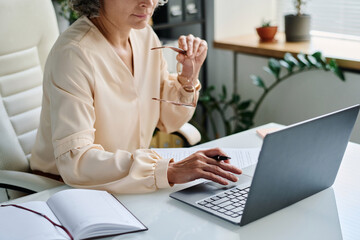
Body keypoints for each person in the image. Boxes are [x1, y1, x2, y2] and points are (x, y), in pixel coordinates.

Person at [30, 0, 242, 193]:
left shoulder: (145, 36)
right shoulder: (74, 54)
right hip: (65, 190)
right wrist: (166, 170)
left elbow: (168, 120)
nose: (148, 3)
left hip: (127, 183)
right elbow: (76, 161)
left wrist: (188, 78)